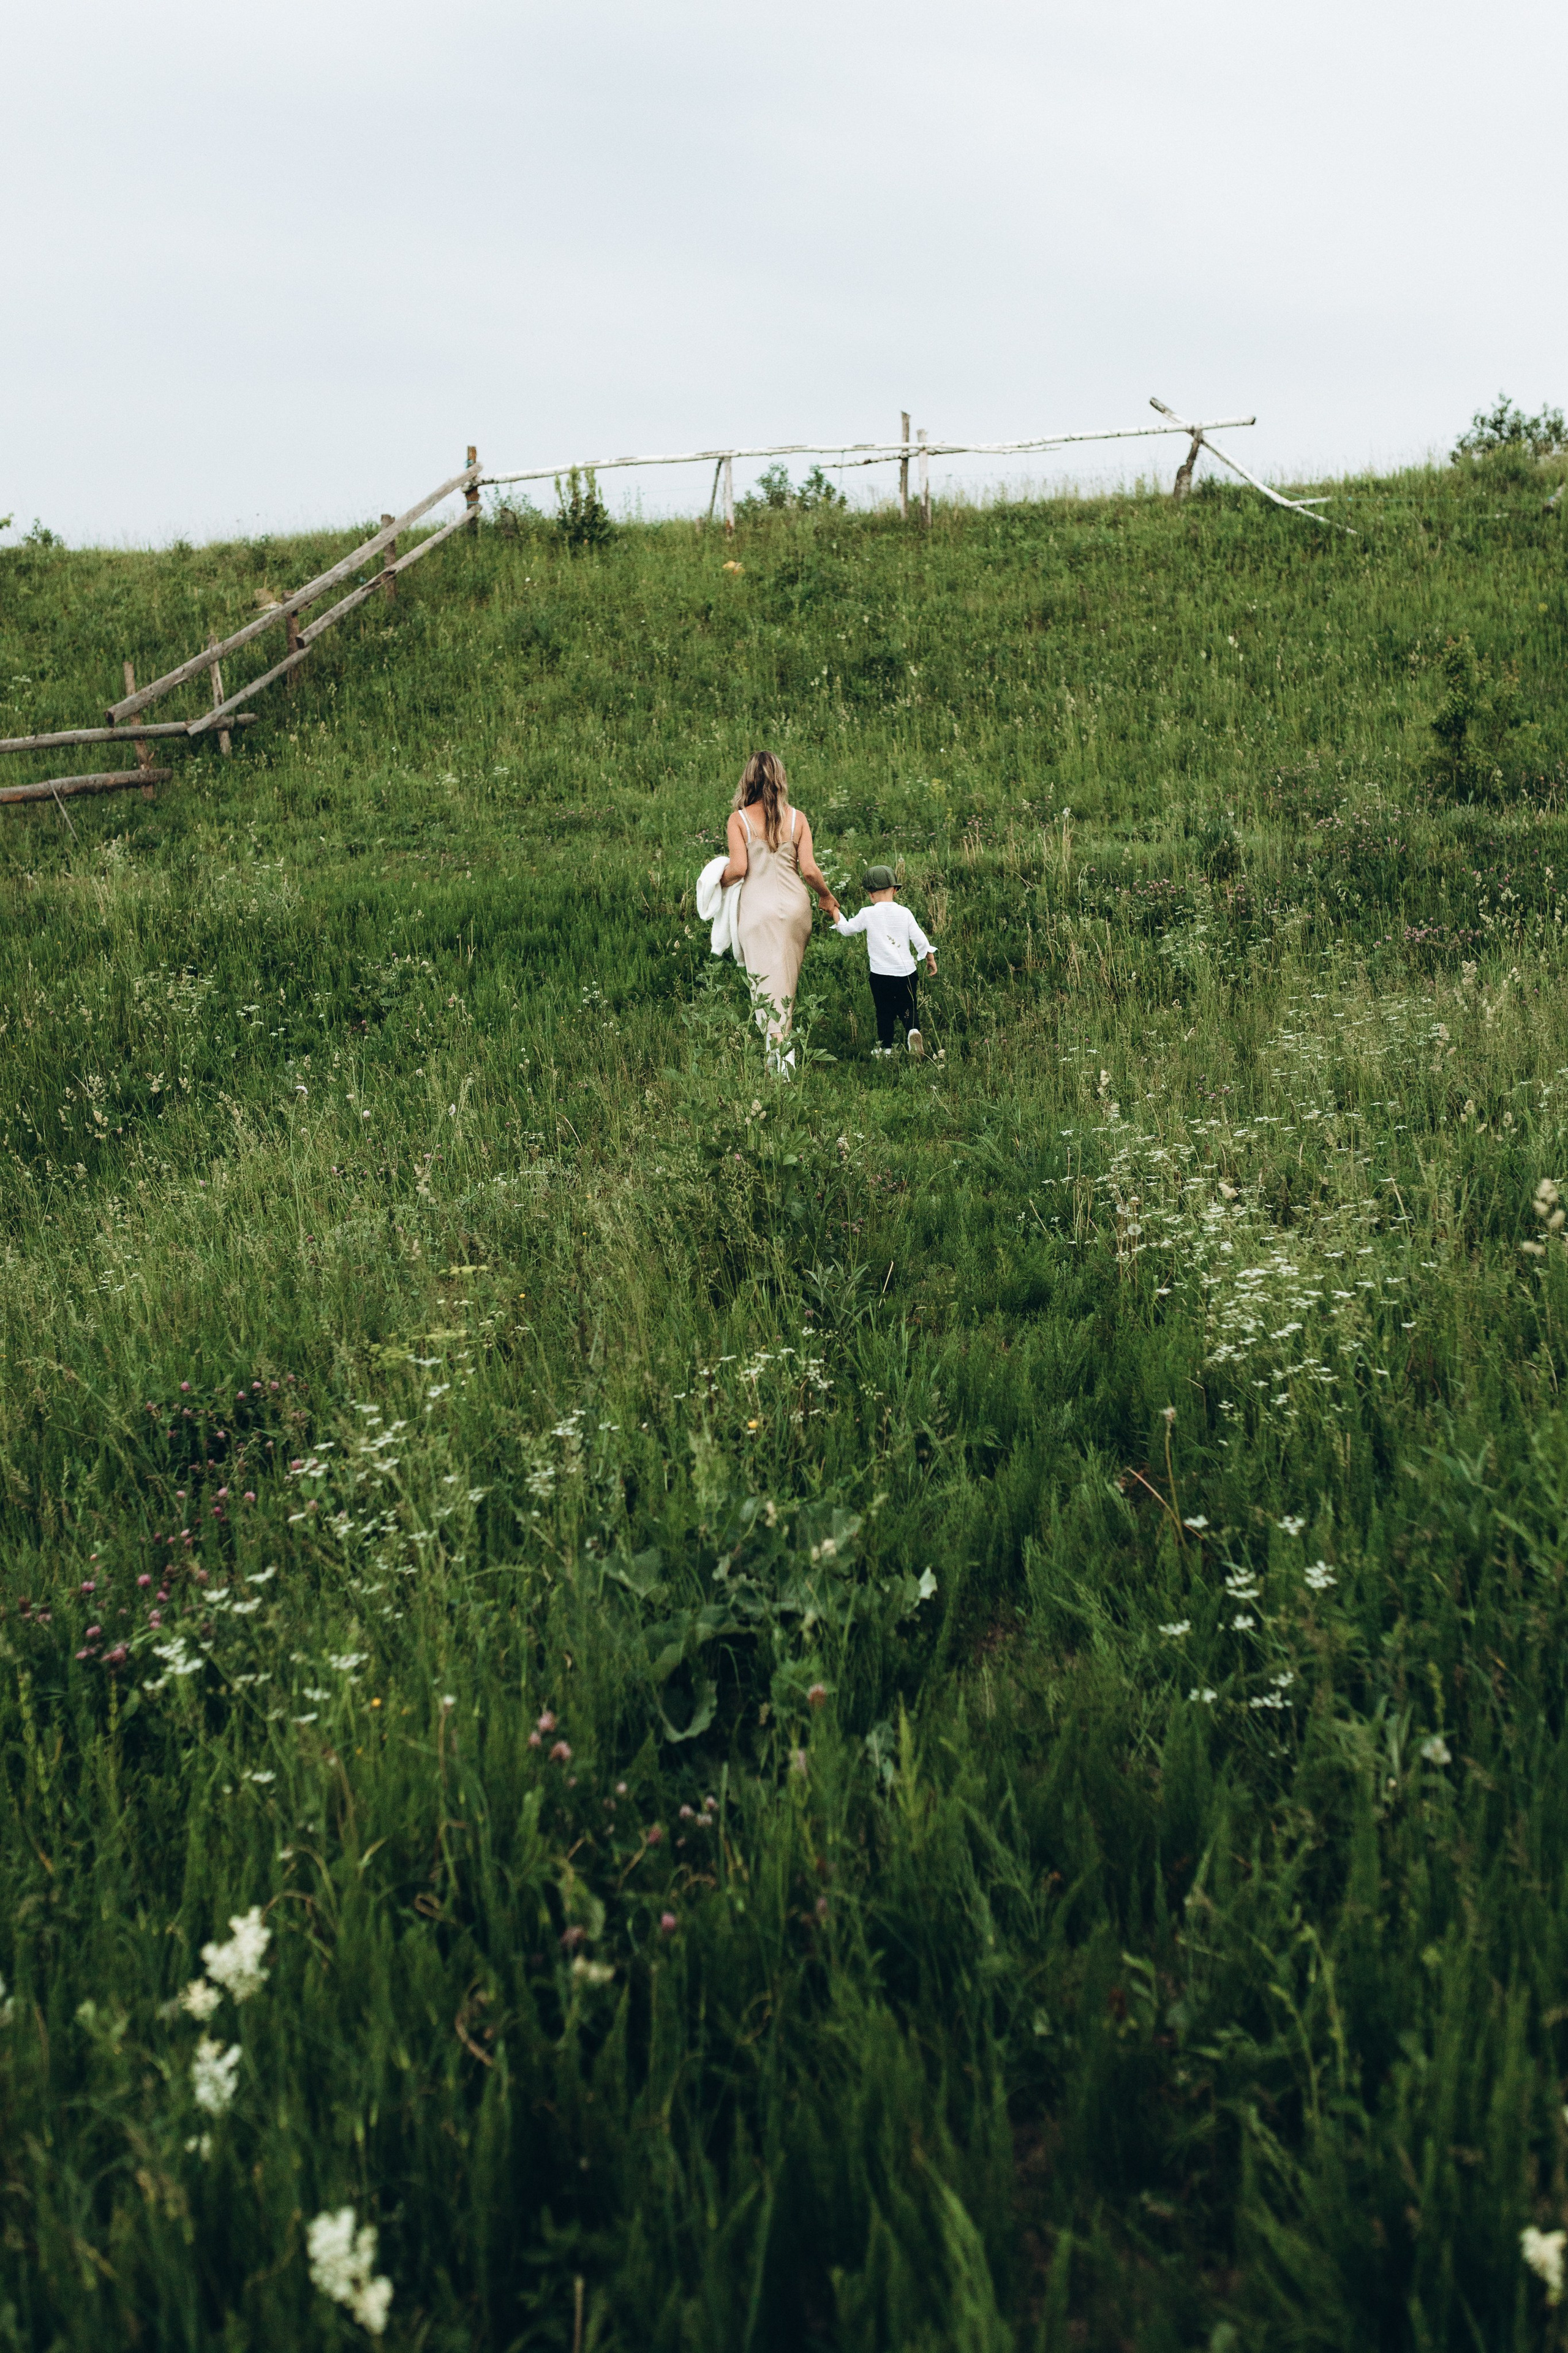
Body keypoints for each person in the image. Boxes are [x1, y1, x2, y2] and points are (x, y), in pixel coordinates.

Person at [718, 750, 840, 1070]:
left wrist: (716, 877)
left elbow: (739, 869)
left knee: (766, 983)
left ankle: (781, 1063)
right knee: (785, 982)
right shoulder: (798, 819)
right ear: (780, 780)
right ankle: (783, 1057)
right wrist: (826, 897)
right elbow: (810, 871)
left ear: (749, 780)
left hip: (758, 910)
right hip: (796, 907)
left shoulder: (739, 819)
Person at [833, 864, 936, 1056]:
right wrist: (929, 957)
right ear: (895, 890)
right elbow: (920, 938)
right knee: (909, 1007)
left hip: (881, 976)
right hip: (907, 973)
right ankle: (913, 1032)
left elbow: (847, 930)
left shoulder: (867, 913)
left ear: (870, 894)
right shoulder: (905, 913)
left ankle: (885, 1049)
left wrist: (835, 913)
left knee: (884, 1012)